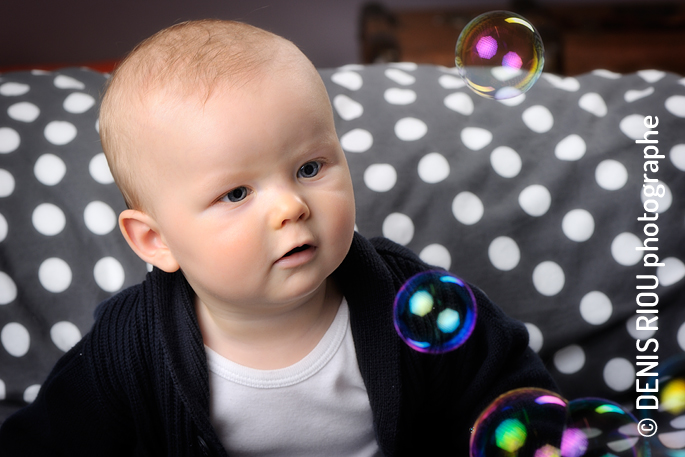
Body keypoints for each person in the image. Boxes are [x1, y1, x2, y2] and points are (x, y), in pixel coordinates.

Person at [0, 19, 557, 456]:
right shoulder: (128, 350)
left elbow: (507, 386)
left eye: (311, 168)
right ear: (155, 241)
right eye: (237, 194)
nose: (291, 206)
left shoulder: (407, 297)